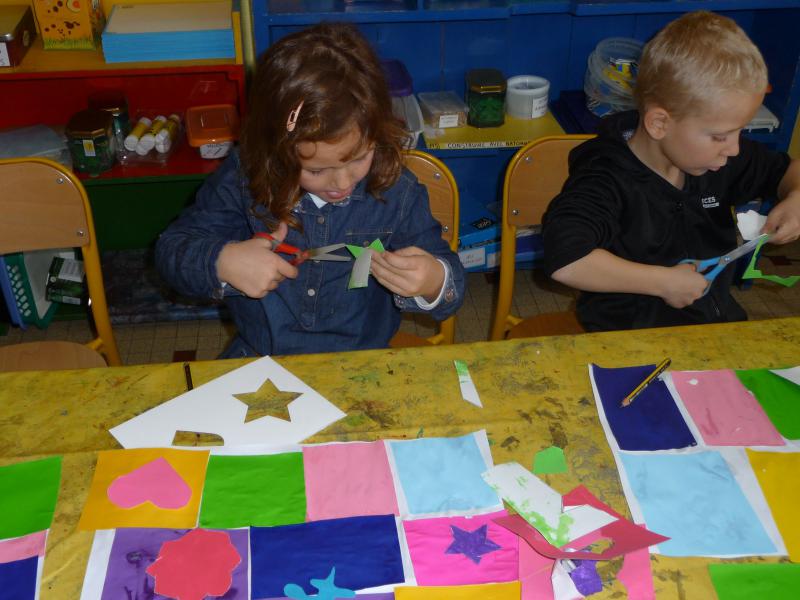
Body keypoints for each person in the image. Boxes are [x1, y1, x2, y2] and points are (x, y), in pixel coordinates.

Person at [156, 23, 464, 357]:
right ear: (275, 151)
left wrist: (433, 281)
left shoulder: (398, 190)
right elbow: (171, 251)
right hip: (261, 353)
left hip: (361, 356)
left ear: (377, 133)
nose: (342, 183)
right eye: (317, 170)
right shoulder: (244, 178)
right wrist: (222, 262)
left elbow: (452, 288)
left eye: (359, 158)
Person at [542, 11, 800, 332]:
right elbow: (565, 259)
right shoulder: (604, 176)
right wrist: (662, 282)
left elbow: (788, 171)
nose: (734, 149)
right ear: (660, 123)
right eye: (720, 136)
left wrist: (796, 198)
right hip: (630, 338)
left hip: (713, 328)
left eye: (740, 131)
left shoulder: (716, 157)